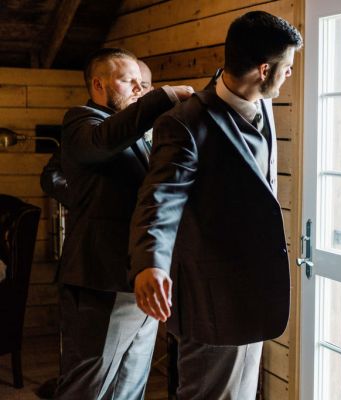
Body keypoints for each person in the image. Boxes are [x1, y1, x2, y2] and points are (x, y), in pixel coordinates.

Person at [128, 11, 303, 399]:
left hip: (253, 293)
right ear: (262, 69)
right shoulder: (186, 122)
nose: (289, 74)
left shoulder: (265, 103)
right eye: (287, 67)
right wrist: (150, 263)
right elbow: (160, 198)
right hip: (211, 299)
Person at [53, 47, 193, 400]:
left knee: (131, 385)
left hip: (139, 280)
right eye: (128, 80)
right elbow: (102, 142)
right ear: (99, 85)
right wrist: (166, 96)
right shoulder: (82, 121)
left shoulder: (136, 130)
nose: (138, 87)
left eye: (142, 82)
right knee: (88, 388)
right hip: (98, 279)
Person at [40, 58, 156, 207]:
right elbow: (51, 175)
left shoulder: (158, 124)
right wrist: (91, 201)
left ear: (151, 90)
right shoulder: (91, 127)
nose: (138, 90)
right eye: (128, 81)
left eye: (143, 84)